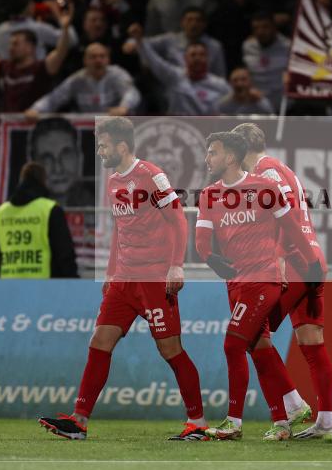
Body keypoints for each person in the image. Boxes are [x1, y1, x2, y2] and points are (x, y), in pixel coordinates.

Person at [38, 117, 208, 441]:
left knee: (170, 349)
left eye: (103, 145)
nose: (100, 151)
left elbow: (177, 220)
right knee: (99, 342)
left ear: (121, 146)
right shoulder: (114, 181)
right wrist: (110, 271)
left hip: (154, 278)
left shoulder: (151, 175)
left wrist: (176, 266)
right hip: (124, 280)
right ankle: (79, 420)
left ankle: (197, 422)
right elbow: (120, 228)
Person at [196, 132, 321, 442]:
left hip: (264, 279)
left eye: (212, 153)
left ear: (230, 158)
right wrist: (210, 258)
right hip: (235, 282)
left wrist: (312, 263)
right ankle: (286, 414)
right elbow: (200, 240)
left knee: (233, 344)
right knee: (258, 346)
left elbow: (292, 228)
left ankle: (233, 422)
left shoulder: (265, 188)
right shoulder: (209, 194)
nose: (207, 158)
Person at [231, 123, 332, 439]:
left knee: (251, 335)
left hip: (291, 263)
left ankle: (289, 408)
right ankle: (326, 423)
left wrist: (275, 259)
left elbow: (284, 217)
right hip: (311, 259)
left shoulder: (266, 173)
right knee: (311, 341)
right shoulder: (282, 169)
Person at [0, 3, 72, 112]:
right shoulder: (5, 67)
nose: (11, 48)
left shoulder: (42, 67)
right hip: (10, 127)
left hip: (37, 125)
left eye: (16, 43)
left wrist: (65, 29)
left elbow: (60, 52)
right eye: (10, 44)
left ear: (30, 47)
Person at [0, 161, 78, 279]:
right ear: (43, 181)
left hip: (8, 289)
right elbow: (65, 253)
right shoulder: (49, 210)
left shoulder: (1, 213)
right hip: (45, 289)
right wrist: (72, 282)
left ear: (21, 180)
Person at [128, 22, 230, 115]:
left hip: (207, 130)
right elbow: (154, 61)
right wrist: (139, 40)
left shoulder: (220, 85)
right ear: (185, 59)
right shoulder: (174, 76)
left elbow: (233, 107)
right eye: (193, 55)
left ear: (207, 58)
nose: (197, 58)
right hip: (179, 128)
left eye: (201, 55)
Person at [25, 44, 140, 117]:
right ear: (85, 61)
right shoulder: (77, 79)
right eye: (93, 57)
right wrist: (36, 109)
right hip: (89, 131)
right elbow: (55, 97)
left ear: (108, 60)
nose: (98, 60)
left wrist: (124, 107)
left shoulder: (117, 74)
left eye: (102, 56)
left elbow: (132, 92)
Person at [26, 118, 93, 208]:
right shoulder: (19, 211)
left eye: (66, 155)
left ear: (79, 158)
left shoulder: (102, 207)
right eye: (47, 158)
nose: (58, 169)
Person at [143, 7, 227, 77]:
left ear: (204, 24)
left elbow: (220, 75)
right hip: (174, 86)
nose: (194, 24)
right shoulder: (169, 39)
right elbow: (144, 43)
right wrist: (134, 42)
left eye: (198, 20)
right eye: (189, 20)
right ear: (182, 22)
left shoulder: (215, 46)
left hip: (205, 88)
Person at [0, 0, 79, 60]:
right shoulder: (37, 28)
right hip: (35, 79)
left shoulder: (0, 29)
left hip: (8, 79)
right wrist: (60, 17)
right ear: (28, 7)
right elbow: (72, 40)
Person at [242, 11, 291, 113]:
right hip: (257, 106)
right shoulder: (247, 46)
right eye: (256, 28)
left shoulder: (288, 46)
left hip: (284, 107)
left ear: (274, 28)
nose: (260, 32)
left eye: (265, 27)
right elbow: (246, 73)